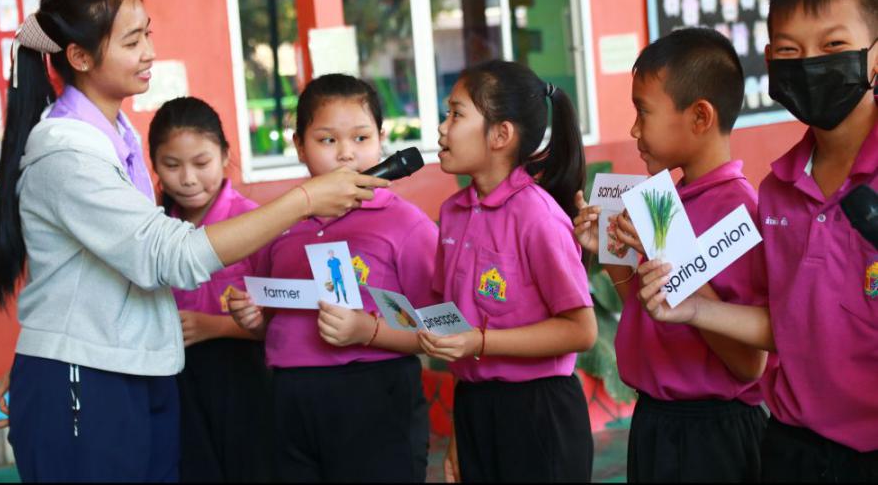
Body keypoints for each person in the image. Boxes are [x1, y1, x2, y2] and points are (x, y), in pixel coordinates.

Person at [0, 0, 386, 482]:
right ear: (80, 57)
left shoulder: (114, 134)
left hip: (135, 370)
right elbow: (167, 255)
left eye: (147, 34)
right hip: (90, 378)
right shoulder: (67, 150)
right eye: (132, 41)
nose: (149, 52)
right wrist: (305, 199)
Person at [636, 0, 878, 482]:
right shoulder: (778, 191)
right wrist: (694, 309)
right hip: (791, 447)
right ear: (770, 60)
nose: (810, 64)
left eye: (834, 46)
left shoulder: (740, 199)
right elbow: (785, 324)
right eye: (790, 51)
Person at [574, 28, 769, 482]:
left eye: (643, 111)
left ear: (700, 116)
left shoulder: (738, 210)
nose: (633, 129)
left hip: (713, 433)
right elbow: (650, 314)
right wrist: (611, 252)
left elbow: (748, 364)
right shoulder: (667, 201)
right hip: (656, 422)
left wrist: (673, 259)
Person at [229, 74, 438, 483]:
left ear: (381, 139)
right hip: (290, 398)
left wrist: (367, 331)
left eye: (361, 138)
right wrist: (254, 320)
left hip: (377, 396)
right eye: (327, 140)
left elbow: (437, 330)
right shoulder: (279, 223)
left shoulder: (405, 224)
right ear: (299, 145)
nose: (346, 154)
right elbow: (272, 321)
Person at [418, 60, 597, 483]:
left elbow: (581, 330)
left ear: (501, 135)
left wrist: (479, 342)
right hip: (476, 407)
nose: (442, 128)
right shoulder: (453, 212)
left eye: (456, 114)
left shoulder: (538, 217)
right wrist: (461, 431)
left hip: (538, 414)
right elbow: (453, 323)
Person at [148, 96, 276, 482]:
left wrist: (214, 326)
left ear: (225, 155)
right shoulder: (150, 230)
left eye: (201, 163)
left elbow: (282, 324)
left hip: (246, 385)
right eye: (172, 165)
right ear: (154, 163)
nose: (188, 178)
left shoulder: (255, 223)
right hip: (176, 386)